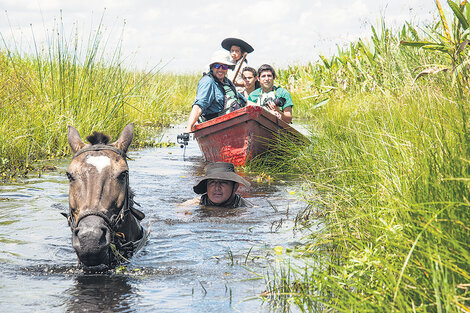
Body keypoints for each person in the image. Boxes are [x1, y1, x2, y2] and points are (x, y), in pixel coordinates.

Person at [185, 50, 246, 133]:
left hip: (233, 124)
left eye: (224, 67)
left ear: (227, 68)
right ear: (212, 67)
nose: (221, 69)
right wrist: (189, 128)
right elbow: (198, 106)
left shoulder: (227, 82)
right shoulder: (208, 82)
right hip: (214, 127)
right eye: (217, 66)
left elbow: (243, 101)